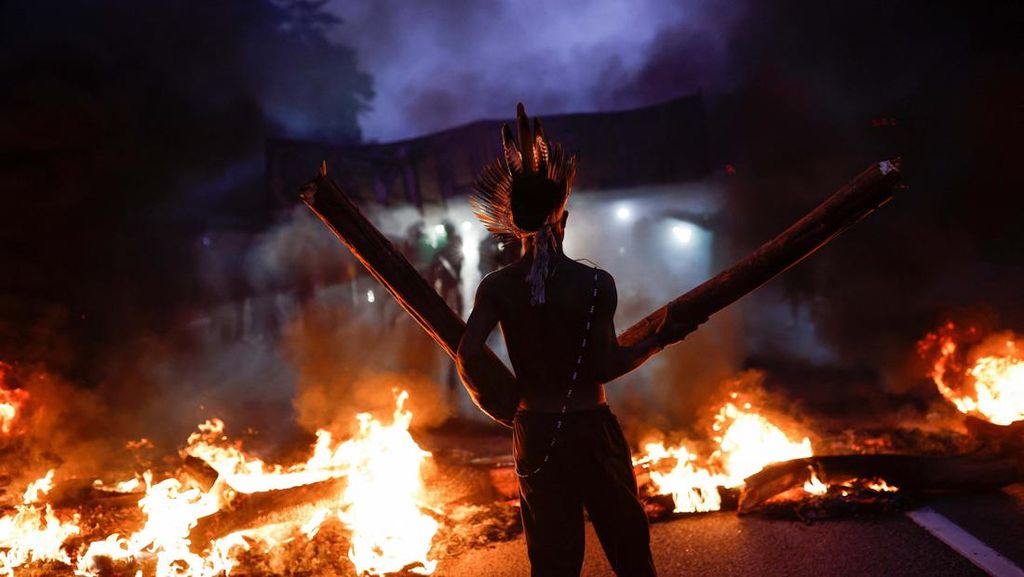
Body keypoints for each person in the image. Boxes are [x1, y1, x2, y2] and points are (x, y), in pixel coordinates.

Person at [456, 103, 701, 577]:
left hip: (536, 432)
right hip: (592, 431)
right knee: (629, 550)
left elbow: (467, 353)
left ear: (512, 225)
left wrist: (506, 406)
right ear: (562, 219)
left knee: (552, 560)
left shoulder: (499, 287)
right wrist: (659, 340)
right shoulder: (594, 283)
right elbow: (606, 365)